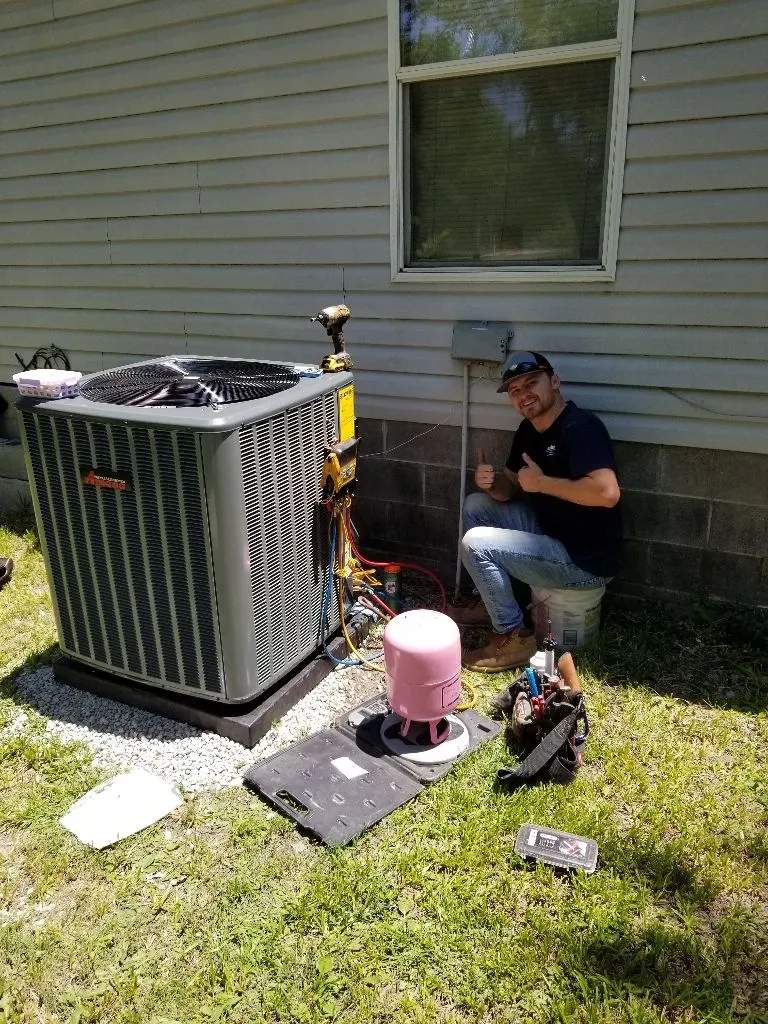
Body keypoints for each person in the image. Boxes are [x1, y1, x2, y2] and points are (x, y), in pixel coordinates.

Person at [453, 351, 623, 672]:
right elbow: (512, 487)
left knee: (475, 543)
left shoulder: (581, 427)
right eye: (515, 391)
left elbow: (607, 492)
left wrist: (543, 483)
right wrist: (490, 484)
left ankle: (512, 637)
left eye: (532, 383)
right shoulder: (527, 431)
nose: (524, 394)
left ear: (554, 381)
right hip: (550, 535)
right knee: (476, 505)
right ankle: (495, 604)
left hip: (585, 560)